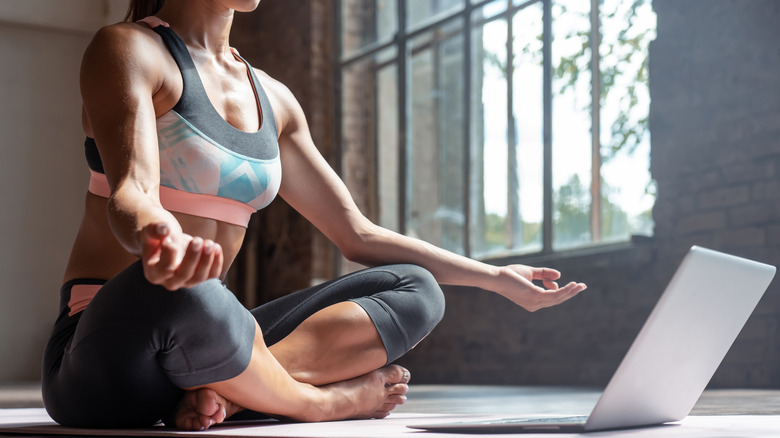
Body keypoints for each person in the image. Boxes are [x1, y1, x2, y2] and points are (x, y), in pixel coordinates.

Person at [41, 0, 587, 431]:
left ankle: (226, 397)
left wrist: (494, 278)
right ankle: (317, 404)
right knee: (192, 290)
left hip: (211, 344)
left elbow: (357, 234)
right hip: (107, 354)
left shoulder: (274, 100)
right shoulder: (128, 48)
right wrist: (161, 240)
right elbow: (131, 192)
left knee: (415, 288)